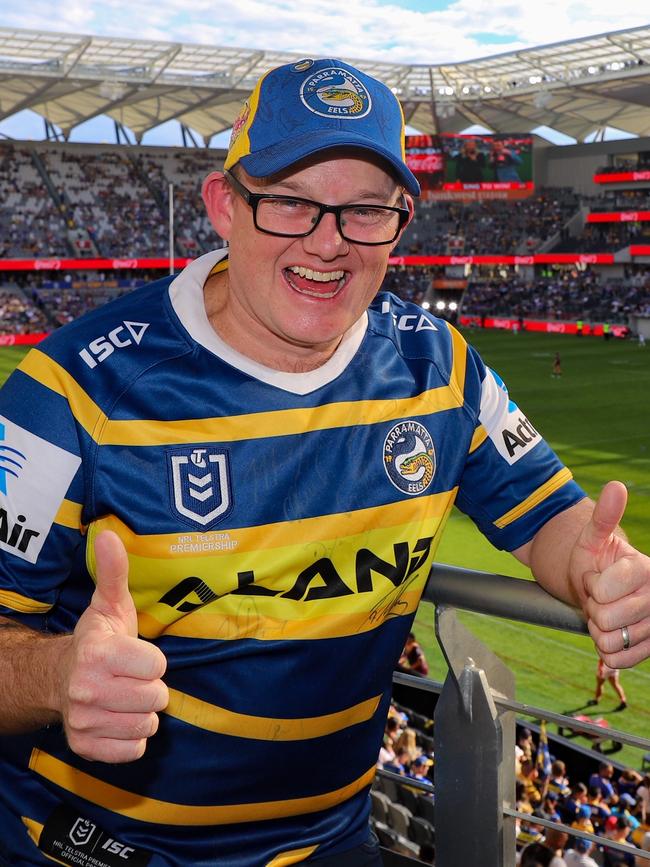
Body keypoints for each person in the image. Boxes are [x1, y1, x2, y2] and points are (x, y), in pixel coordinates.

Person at [1, 55, 650, 867]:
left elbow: (551, 518)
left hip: (330, 842)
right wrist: (57, 672)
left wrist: (601, 566)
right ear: (224, 206)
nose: (328, 242)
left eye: (364, 211)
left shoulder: (438, 367)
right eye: (291, 203)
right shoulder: (69, 392)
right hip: (97, 845)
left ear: (401, 223)